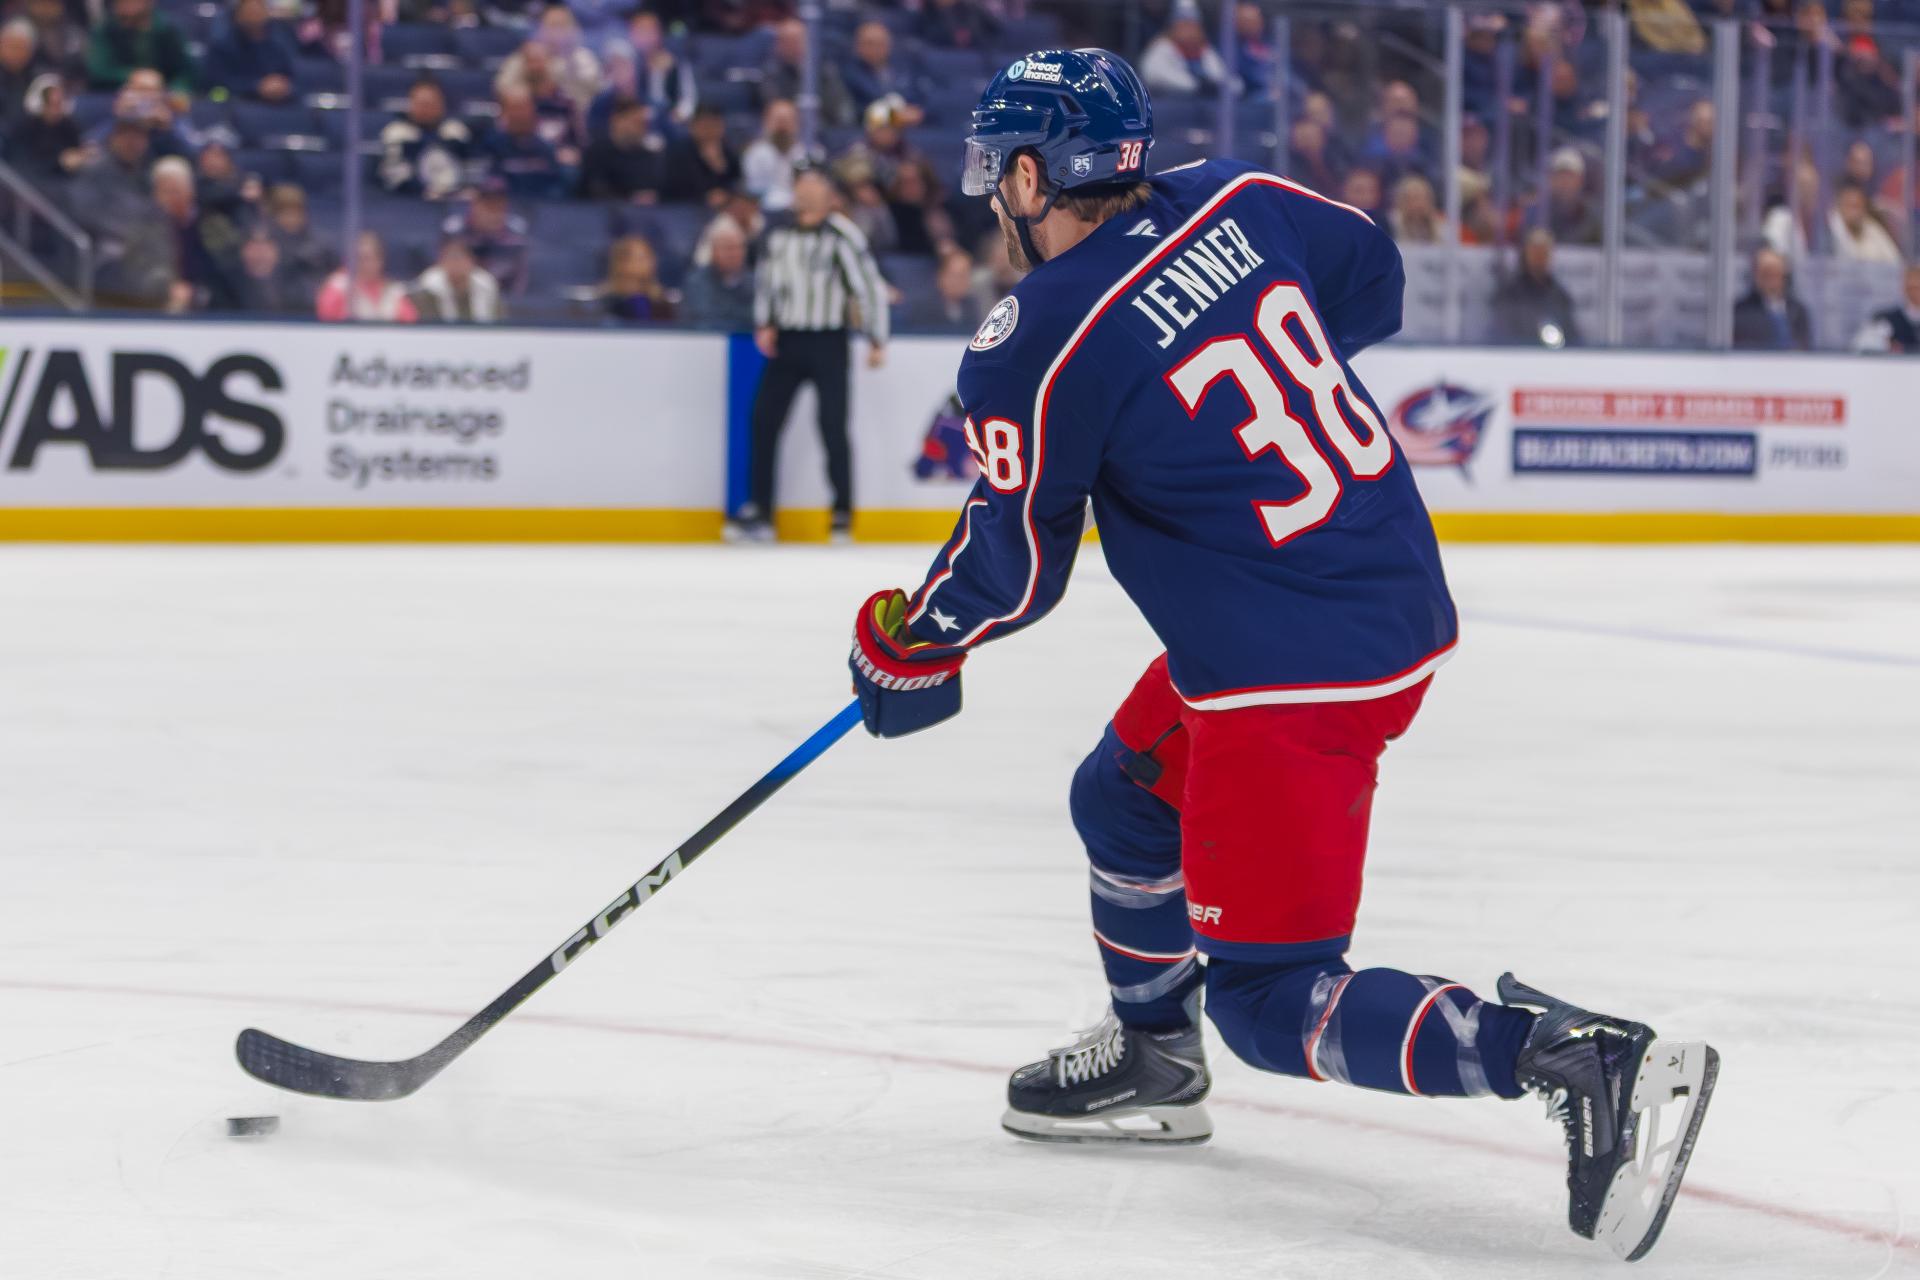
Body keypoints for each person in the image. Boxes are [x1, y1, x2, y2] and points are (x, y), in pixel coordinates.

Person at [842, 49, 1717, 1267]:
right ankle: (1154, 1053)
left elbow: (1017, 567)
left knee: (1268, 997)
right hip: (1373, 591)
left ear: (1035, 178)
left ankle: (1571, 1058)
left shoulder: (1034, 335)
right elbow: (1371, 273)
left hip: (1285, 670)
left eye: (1000, 173)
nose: (994, 197)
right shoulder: (1237, 196)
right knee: (1123, 796)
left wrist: (911, 642)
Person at [735, 168, 890, 543]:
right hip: (788, 339)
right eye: (800, 185)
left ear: (829, 194)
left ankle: (841, 512)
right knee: (763, 420)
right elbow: (768, 282)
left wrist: (876, 337)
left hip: (828, 340)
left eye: (813, 185)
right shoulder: (779, 235)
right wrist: (765, 322)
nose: (803, 191)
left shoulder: (841, 235)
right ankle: (761, 510)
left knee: (832, 426)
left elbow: (867, 286)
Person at [379, 77, 472, 199]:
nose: (426, 109)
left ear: (442, 105)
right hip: (409, 201)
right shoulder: (396, 133)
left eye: (431, 104)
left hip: (452, 199)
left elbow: (468, 171)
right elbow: (394, 177)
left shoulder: (456, 131)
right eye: (421, 104)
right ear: (411, 104)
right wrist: (425, 191)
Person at [480, 85, 573, 199]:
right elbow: (489, 181)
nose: (521, 115)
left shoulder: (546, 147)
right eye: (515, 109)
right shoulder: (492, 145)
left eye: (524, 108)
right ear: (504, 113)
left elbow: (556, 185)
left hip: (543, 205)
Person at [1492, 227, 1581, 346]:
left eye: (1544, 251)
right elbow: (1500, 334)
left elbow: (1573, 337)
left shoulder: (1560, 297)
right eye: (1535, 250)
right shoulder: (1509, 294)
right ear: (1526, 253)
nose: (1539, 256)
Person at [442, 180, 529, 295]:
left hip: (504, 297)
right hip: (460, 297)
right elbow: (444, 274)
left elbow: (520, 282)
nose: (493, 214)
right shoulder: (455, 232)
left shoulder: (516, 235)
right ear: (474, 205)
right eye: (487, 206)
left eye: (498, 206)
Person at [759, 18, 851, 127]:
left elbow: (839, 106)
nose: (792, 46)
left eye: (796, 40)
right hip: (787, 129)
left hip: (824, 128)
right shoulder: (771, 73)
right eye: (787, 41)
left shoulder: (824, 71)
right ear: (777, 45)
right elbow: (774, 106)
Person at [85, 0, 194, 92]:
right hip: (114, 95)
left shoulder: (167, 29)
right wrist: (133, 76)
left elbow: (185, 71)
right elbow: (98, 71)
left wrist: (177, 91)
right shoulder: (105, 30)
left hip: (163, 94)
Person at [200, 0, 295, 102]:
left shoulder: (277, 46)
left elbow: (293, 77)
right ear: (237, 15)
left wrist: (283, 87)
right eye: (249, 11)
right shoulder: (221, 47)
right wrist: (257, 87)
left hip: (278, 103)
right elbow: (216, 84)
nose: (254, 16)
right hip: (238, 102)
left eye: (258, 11)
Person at [316, 230, 419, 322]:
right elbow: (326, 322)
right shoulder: (338, 286)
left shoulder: (394, 292)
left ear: (380, 260)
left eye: (367, 258)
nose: (361, 264)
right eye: (357, 258)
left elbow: (411, 323)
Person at [578, 98, 667, 201]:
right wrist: (630, 199)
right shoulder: (597, 152)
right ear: (617, 120)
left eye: (644, 124)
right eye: (636, 122)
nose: (641, 128)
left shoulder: (648, 155)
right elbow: (594, 189)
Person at [1140, 4, 1236, 96]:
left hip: (1202, 104)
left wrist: (1216, 86)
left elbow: (1226, 80)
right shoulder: (1162, 47)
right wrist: (1195, 84)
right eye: (1184, 26)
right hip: (1170, 102)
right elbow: (1153, 74)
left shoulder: (1205, 50)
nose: (1190, 31)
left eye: (1193, 26)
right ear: (1173, 28)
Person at [680, 214, 755, 329]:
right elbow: (700, 319)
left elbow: (758, 319)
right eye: (727, 248)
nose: (733, 254)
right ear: (713, 251)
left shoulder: (756, 282)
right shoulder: (696, 282)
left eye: (738, 247)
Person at [741, 98, 814, 214]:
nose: (782, 127)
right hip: (766, 210)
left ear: (796, 123)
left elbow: (808, 184)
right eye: (778, 121)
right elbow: (755, 190)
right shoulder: (756, 153)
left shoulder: (804, 153)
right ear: (767, 122)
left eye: (787, 121)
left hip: (800, 208)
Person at [626, 11, 696, 131]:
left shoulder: (676, 62)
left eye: (649, 30)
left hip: (671, 123)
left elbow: (689, 98)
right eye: (639, 31)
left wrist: (680, 115)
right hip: (640, 124)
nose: (644, 36)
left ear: (658, 33)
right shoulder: (628, 63)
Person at [1732, 245, 1813, 350]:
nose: (1771, 280)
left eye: (1776, 273)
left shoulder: (1798, 310)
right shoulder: (1741, 312)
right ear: (1755, 276)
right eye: (1766, 274)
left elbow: (1804, 346)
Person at [7, 72, 83, 179]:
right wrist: (59, 162)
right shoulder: (23, 127)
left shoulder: (69, 125)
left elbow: (75, 149)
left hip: (65, 181)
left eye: (59, 103)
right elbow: (22, 163)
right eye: (51, 104)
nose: (56, 110)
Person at [411, 236, 504, 322]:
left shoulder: (487, 287)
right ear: (441, 262)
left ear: (472, 261)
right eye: (450, 258)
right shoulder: (427, 291)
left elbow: (499, 321)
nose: (455, 263)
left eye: (460, 258)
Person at [664, 105, 739, 206]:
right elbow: (677, 186)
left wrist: (719, 165)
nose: (709, 131)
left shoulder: (729, 150)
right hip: (687, 205)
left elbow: (736, 181)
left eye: (714, 125)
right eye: (705, 126)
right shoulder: (678, 151)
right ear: (693, 126)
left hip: (725, 205)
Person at [598, 233, 675, 322]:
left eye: (650, 257)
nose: (649, 263)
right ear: (622, 263)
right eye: (641, 258)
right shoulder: (605, 303)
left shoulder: (662, 303)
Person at [903, 247, 984, 331]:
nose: (960, 281)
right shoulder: (922, 307)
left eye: (965, 276)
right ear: (941, 276)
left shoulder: (971, 305)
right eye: (956, 276)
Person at [232, 226, 309, 313]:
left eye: (266, 245)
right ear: (243, 251)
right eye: (254, 245)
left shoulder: (297, 284)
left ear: (277, 252)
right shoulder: (227, 284)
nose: (260, 253)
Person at [1852, 262, 1920, 353]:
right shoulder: (1886, 319)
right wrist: (1885, 345)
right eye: (1912, 287)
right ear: (1904, 287)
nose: (1916, 292)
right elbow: (1862, 344)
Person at [1828, 182, 1901, 263]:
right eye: (1850, 206)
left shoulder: (1871, 226)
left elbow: (1894, 259)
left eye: (1858, 206)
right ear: (1840, 207)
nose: (1854, 212)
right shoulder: (1830, 230)